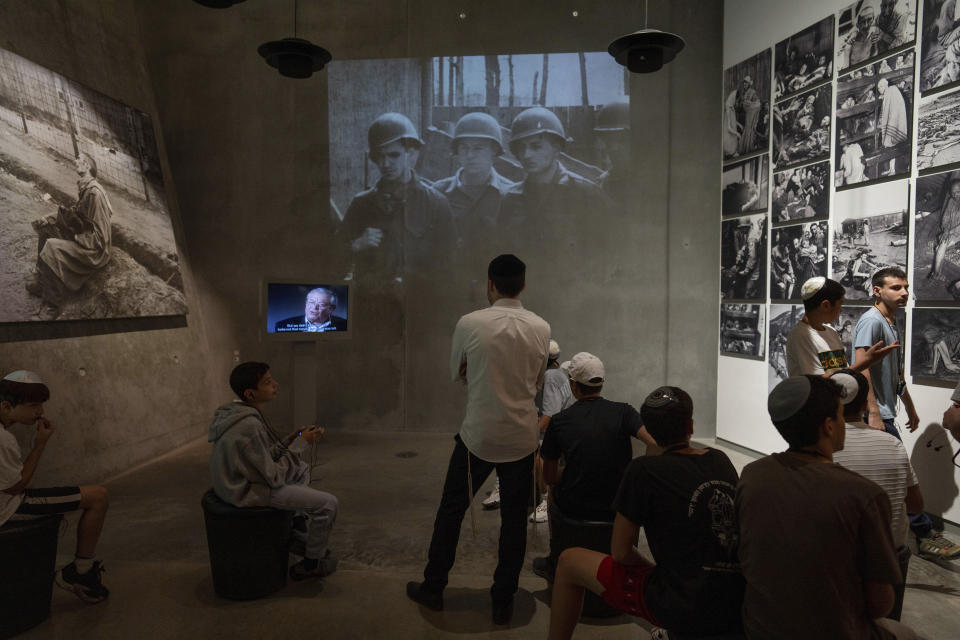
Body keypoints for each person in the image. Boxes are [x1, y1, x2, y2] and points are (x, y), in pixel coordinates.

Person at [406, 254, 550, 625]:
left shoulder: (469, 323)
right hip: (521, 436)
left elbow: (457, 373)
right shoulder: (541, 327)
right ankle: (503, 599)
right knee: (515, 521)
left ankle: (434, 587)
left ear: (490, 285)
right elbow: (536, 382)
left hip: (478, 436)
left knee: (451, 512)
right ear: (523, 284)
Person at [545, 386, 744, 640]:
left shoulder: (643, 471)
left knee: (568, 561)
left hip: (681, 604)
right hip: (733, 598)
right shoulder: (720, 459)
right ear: (691, 426)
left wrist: (652, 570)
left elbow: (620, 551)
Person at [737, 375, 919, 639]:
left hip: (761, 627)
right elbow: (881, 603)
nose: (844, 423)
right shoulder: (863, 494)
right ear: (829, 426)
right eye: (841, 416)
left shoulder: (752, 475)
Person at [532, 352, 658, 579]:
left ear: (573, 385)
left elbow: (549, 476)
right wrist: (636, 477)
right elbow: (654, 442)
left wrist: (571, 473)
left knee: (551, 494)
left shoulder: (560, 421)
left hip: (575, 505)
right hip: (617, 504)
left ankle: (555, 559)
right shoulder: (624, 412)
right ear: (601, 382)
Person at [208, 362, 339, 580]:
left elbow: (263, 456)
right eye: (268, 382)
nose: (275, 385)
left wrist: (293, 438)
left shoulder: (238, 413)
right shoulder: (248, 425)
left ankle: (294, 527)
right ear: (250, 393)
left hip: (246, 481)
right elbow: (274, 476)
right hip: (247, 491)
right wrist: (300, 445)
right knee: (328, 504)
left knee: (302, 469)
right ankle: (311, 563)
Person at [0, 370, 110, 603]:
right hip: (7, 508)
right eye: (33, 405)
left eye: (41, 404)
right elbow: (16, 486)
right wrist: (40, 444)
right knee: (99, 496)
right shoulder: (3, 439)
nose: (40, 412)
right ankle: (80, 572)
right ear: (6, 406)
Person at [337, 112, 453, 283]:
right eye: (379, 156)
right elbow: (333, 266)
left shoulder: (435, 203)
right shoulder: (362, 204)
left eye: (394, 155)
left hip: (418, 304)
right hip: (374, 304)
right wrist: (356, 245)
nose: (385, 164)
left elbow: (449, 268)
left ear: (411, 154)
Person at [500, 107, 607, 247]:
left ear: (556, 149)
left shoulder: (587, 194)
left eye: (536, 147)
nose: (526, 155)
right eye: (521, 148)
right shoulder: (510, 199)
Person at [27, 152, 113, 301]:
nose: (75, 161)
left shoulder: (95, 194)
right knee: (46, 228)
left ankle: (53, 300)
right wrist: (49, 218)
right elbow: (74, 213)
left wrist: (75, 237)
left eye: (78, 158)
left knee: (51, 245)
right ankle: (41, 280)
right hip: (86, 239)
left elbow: (101, 238)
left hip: (95, 251)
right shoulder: (86, 188)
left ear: (87, 165)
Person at [432, 112, 517, 252]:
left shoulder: (511, 194)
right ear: (457, 151)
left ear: (494, 151)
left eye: (478, 148)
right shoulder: (438, 192)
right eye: (464, 148)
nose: (470, 155)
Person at [785, 276, 899, 376]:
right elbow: (820, 383)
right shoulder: (801, 336)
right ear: (826, 305)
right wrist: (864, 363)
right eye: (840, 304)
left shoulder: (831, 332)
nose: (841, 309)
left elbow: (842, 372)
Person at [529, 339, 576, 523]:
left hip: (558, 433)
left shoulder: (550, 377)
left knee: (537, 452)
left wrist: (531, 435)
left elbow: (550, 414)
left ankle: (545, 498)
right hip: (561, 429)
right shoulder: (556, 374)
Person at [929, 178, 960, 300]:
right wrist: (947, 231)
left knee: (943, 244)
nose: (955, 195)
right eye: (953, 193)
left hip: (957, 232)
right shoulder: (951, 202)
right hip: (953, 234)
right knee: (941, 245)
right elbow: (945, 220)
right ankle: (936, 273)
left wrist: (951, 232)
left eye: (958, 192)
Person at [274, 287, 347, 332]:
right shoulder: (283, 326)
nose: (314, 308)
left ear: (331, 308)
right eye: (311, 302)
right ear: (306, 303)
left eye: (321, 304)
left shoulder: (345, 325)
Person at [876, 78, 908, 176]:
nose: (879, 90)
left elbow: (894, 108)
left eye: (880, 88)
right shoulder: (888, 92)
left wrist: (891, 122)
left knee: (891, 146)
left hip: (894, 122)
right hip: (891, 121)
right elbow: (886, 109)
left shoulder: (892, 90)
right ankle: (891, 169)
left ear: (884, 86)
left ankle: (893, 170)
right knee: (889, 146)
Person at [737, 75, 762, 155]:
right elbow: (741, 104)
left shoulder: (752, 92)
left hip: (750, 114)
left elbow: (757, 102)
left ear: (749, 84)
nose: (744, 85)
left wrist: (748, 104)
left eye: (746, 83)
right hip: (744, 113)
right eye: (744, 83)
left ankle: (747, 147)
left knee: (748, 128)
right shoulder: (743, 93)